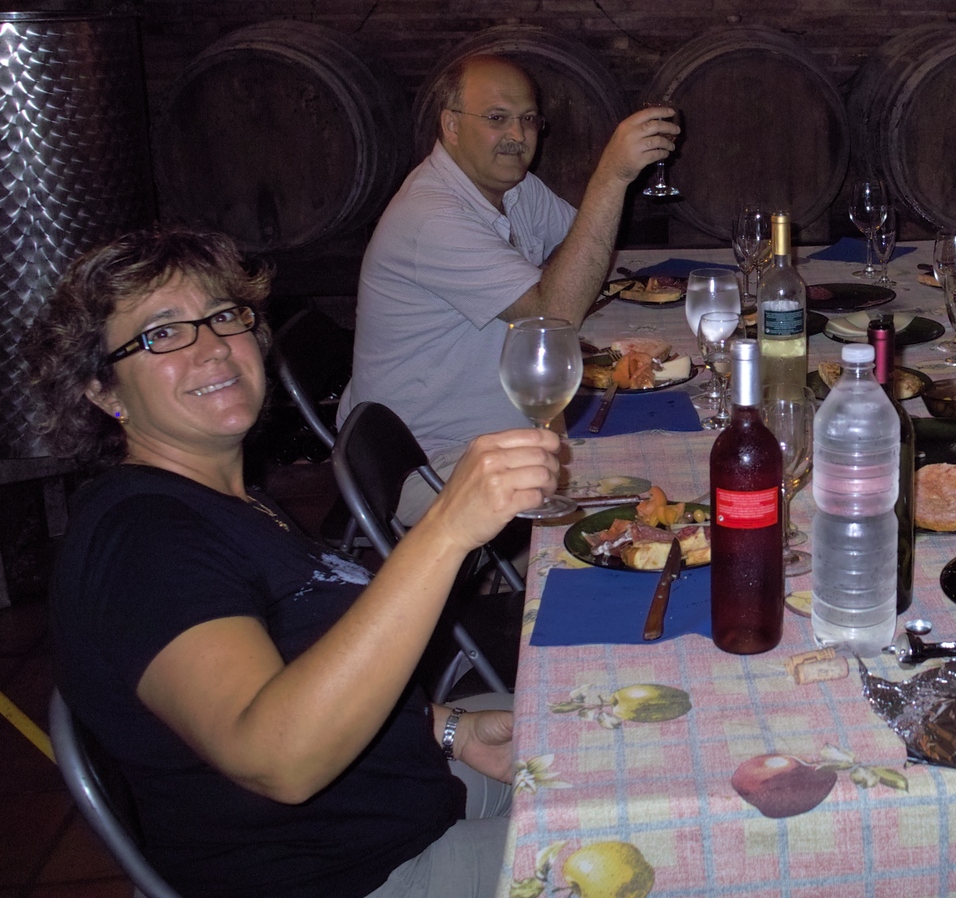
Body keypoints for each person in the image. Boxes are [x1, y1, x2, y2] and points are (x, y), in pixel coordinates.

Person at [32, 227, 560, 898]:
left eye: (224, 316)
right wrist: (445, 529)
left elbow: (302, 657)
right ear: (102, 390)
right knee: (658, 845)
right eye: (163, 334)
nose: (212, 347)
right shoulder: (142, 541)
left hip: (409, 798)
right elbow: (277, 760)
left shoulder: (228, 500)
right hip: (356, 875)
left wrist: (451, 729)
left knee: (620, 731)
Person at [342, 54, 672, 523]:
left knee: (668, 447)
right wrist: (612, 176)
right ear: (451, 125)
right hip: (434, 463)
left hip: (510, 431)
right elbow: (554, 317)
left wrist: (562, 272)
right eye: (497, 118)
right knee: (648, 502)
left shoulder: (515, 189)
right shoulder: (433, 216)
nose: (518, 135)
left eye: (528, 120)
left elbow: (586, 248)